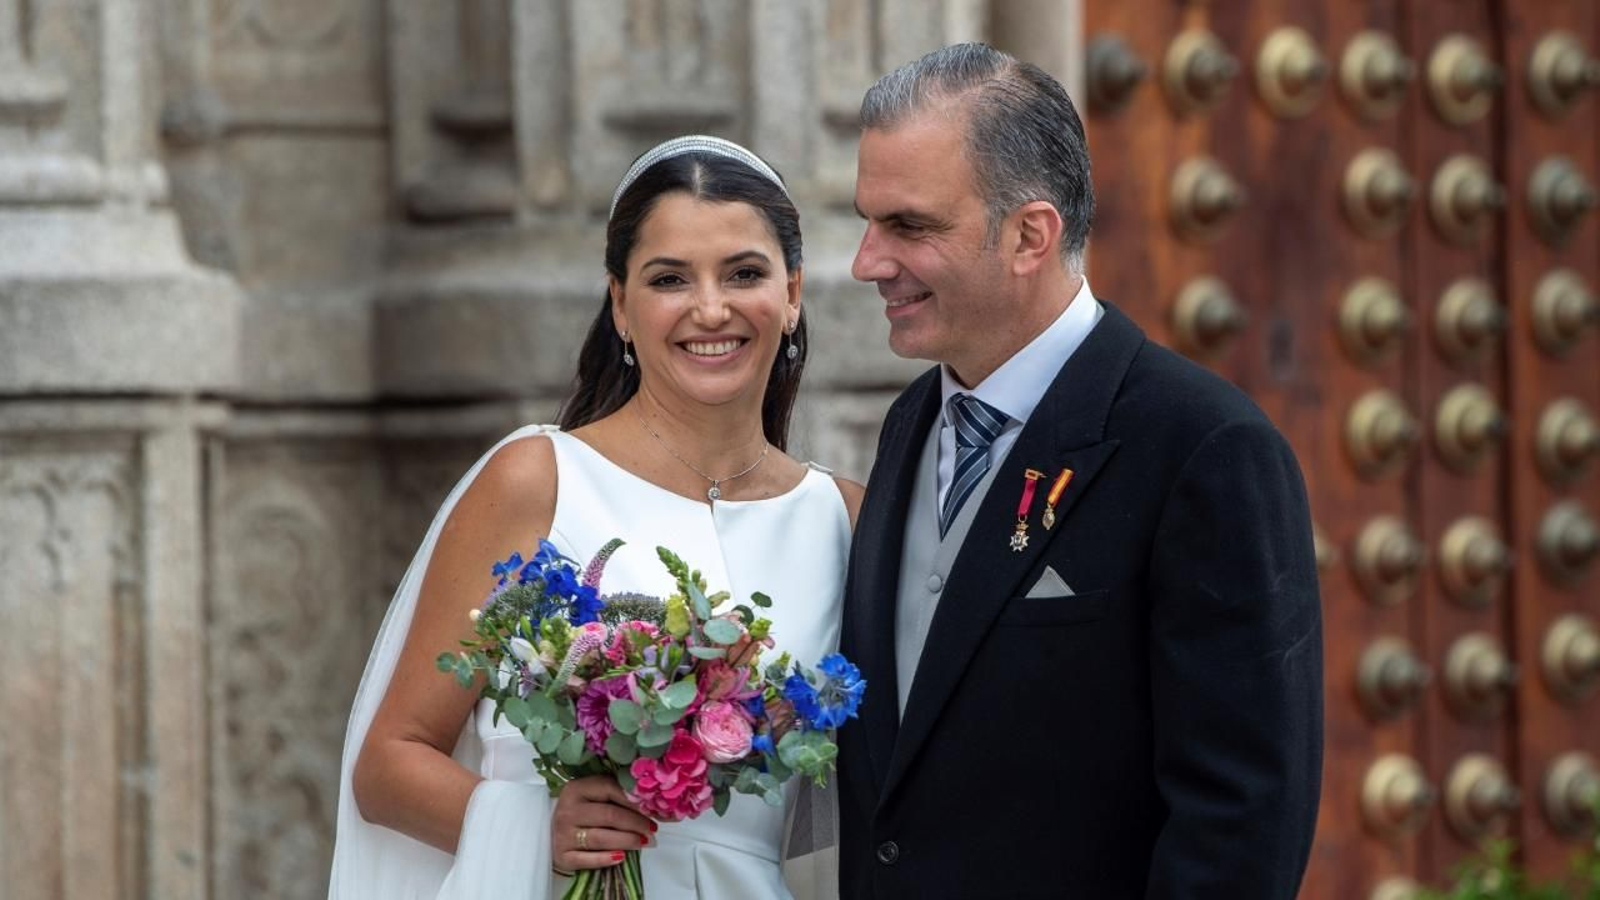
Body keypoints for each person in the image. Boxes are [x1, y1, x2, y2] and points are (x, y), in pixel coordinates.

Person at [837, 43, 1322, 898]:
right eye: (868, 221)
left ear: (1030, 235)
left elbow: (1242, 822)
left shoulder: (1203, 449)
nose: (867, 261)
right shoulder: (912, 420)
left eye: (909, 226)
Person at [328, 135, 862, 899]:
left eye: (744, 273)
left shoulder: (845, 518)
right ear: (620, 304)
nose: (711, 308)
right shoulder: (539, 478)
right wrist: (530, 825)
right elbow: (387, 761)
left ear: (794, 293)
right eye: (670, 278)